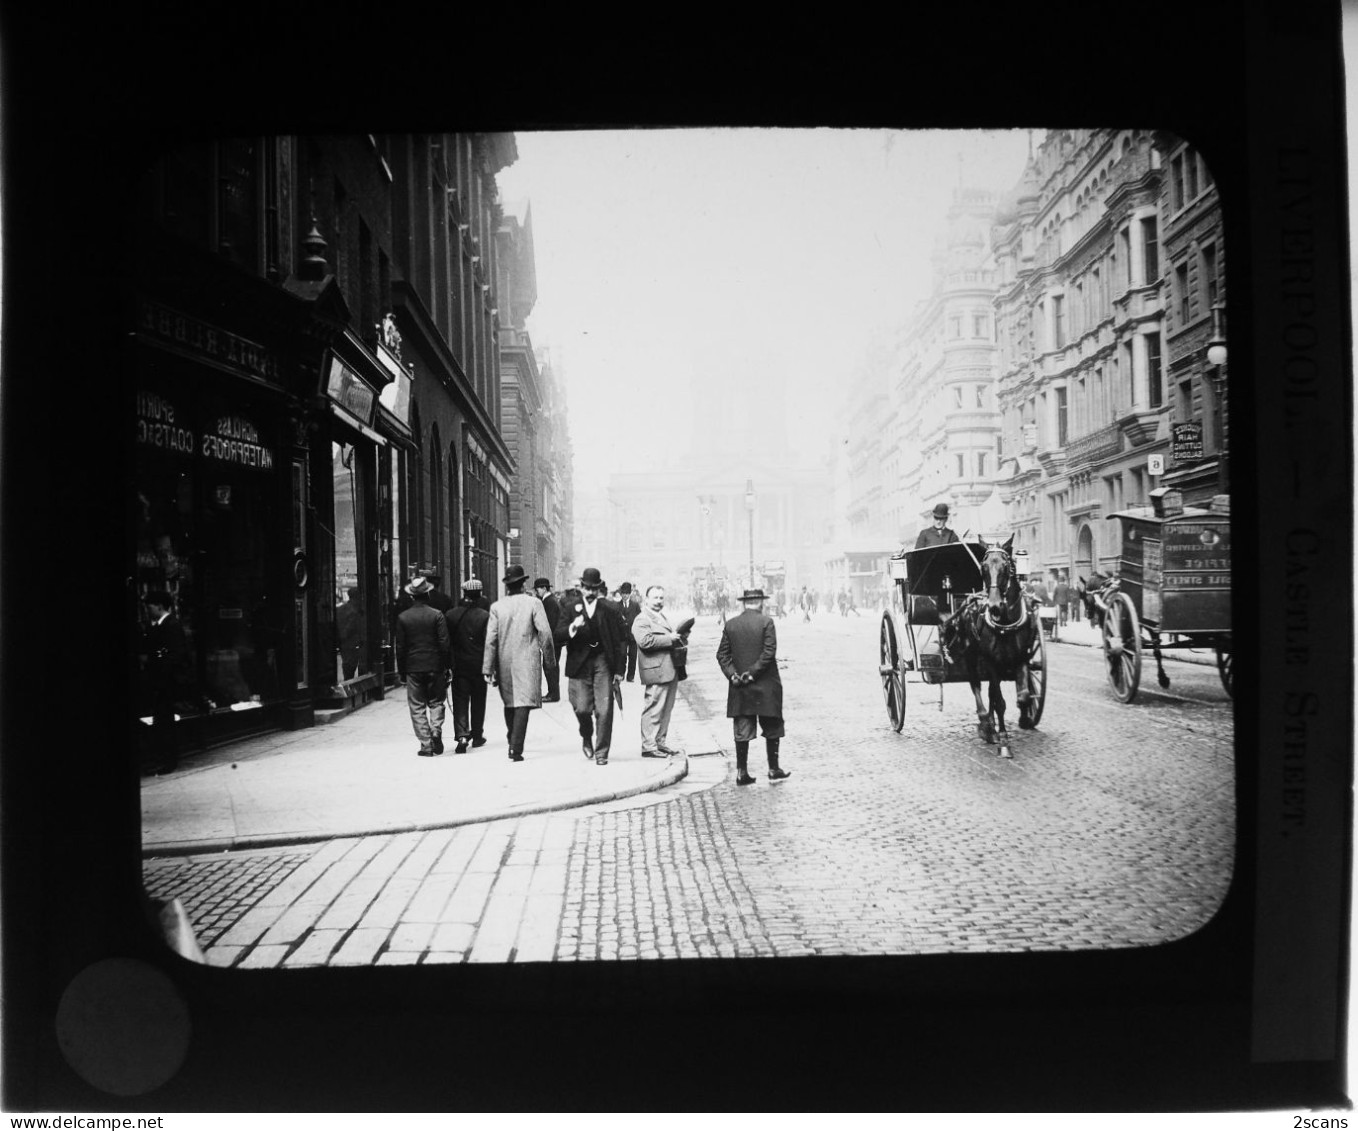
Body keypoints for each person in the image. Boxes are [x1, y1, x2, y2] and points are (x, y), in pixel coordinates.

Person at [717, 588, 790, 786]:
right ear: (760, 602)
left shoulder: (731, 624)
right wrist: (752, 673)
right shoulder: (767, 622)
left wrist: (733, 675)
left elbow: (722, 655)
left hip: (740, 687)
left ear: (744, 603)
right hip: (765, 686)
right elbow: (768, 653)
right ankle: (773, 769)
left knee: (742, 729)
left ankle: (742, 773)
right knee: (772, 727)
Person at [555, 566, 628, 766]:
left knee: (604, 709)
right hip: (580, 663)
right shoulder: (570, 608)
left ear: (598, 589)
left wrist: (620, 670)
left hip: (602, 661)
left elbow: (621, 641)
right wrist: (573, 627)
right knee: (582, 709)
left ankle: (602, 752)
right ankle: (586, 735)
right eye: (587, 588)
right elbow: (558, 635)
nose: (590, 592)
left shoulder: (610, 610)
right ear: (581, 588)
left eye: (594, 589)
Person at [482, 564, 553, 762]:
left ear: (507, 586)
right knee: (523, 704)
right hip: (528, 661)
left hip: (504, 662)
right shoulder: (534, 604)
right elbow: (545, 633)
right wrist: (549, 660)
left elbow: (490, 640)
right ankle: (516, 747)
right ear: (523, 584)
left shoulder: (497, 607)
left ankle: (512, 738)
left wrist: (488, 667)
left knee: (510, 702)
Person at [632, 584, 693, 759]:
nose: (659, 601)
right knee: (654, 708)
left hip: (668, 669)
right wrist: (669, 639)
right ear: (647, 599)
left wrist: (679, 636)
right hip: (656, 670)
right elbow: (645, 641)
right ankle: (649, 746)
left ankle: (660, 742)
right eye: (655, 598)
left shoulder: (660, 616)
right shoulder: (642, 619)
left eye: (661, 598)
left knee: (666, 708)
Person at [395, 575, 451, 757]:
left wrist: (402, 671)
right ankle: (435, 729)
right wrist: (447, 666)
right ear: (427, 595)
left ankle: (426, 745)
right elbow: (444, 643)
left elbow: (400, 647)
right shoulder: (437, 615)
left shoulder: (403, 617)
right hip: (435, 665)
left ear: (412, 597)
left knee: (417, 706)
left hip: (413, 666)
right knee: (436, 701)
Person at [141, 589, 191, 774]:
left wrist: (161, 670)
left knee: (165, 720)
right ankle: (162, 758)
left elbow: (176, 656)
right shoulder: (156, 626)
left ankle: (168, 761)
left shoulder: (171, 625)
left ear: (159, 606)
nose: (147, 609)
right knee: (160, 720)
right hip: (159, 682)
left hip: (167, 683)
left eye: (149, 606)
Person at [446, 578, 490, 753]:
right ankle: (477, 736)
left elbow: (446, 642)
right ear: (479, 594)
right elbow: (489, 642)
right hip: (478, 665)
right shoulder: (484, 616)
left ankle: (462, 735)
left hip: (459, 665)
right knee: (479, 700)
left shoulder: (451, 615)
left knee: (460, 700)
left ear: (464, 593)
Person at [534, 577, 563, 702]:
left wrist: (543, 640)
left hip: (552, 641)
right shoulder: (551, 600)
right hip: (554, 640)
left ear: (544, 588)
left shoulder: (549, 602)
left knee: (550, 666)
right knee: (552, 666)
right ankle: (553, 692)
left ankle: (553, 694)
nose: (537, 592)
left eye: (538, 589)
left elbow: (549, 623)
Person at [335, 586, 364, 681]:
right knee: (352, 666)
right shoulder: (356, 611)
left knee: (347, 666)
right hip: (353, 642)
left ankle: (347, 682)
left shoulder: (340, 609)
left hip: (343, 643)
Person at [617, 581, 642, 682]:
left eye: (627, 593)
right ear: (621, 594)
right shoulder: (617, 606)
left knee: (633, 656)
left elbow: (640, 619)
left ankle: (630, 676)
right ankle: (621, 673)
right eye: (623, 593)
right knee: (622, 655)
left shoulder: (635, 605)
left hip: (633, 635)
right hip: (621, 635)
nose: (625, 596)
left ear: (630, 593)